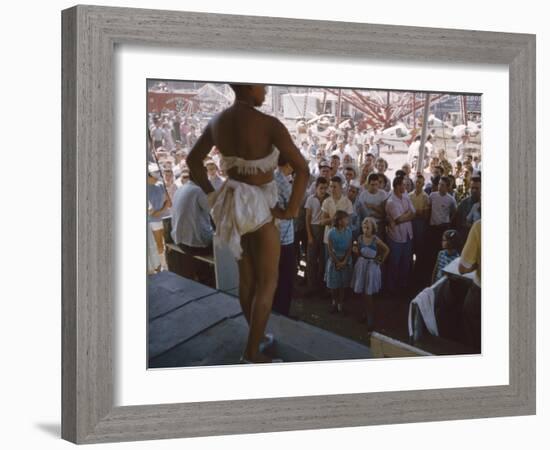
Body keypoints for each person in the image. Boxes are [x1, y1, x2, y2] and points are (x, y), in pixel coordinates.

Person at [186, 83, 309, 364]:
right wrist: (291, 210)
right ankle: (251, 353)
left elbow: (193, 161)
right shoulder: (269, 124)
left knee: (247, 279)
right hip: (260, 207)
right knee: (268, 283)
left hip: (232, 204)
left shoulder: (217, 122)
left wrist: (212, 194)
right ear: (249, 86)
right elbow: (302, 169)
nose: (265, 91)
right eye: (262, 86)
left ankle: (257, 337)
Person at [170, 173, 214, 280]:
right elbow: (216, 213)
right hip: (195, 246)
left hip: (179, 241)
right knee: (229, 247)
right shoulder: (198, 191)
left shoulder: (180, 189)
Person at [351, 217, 390, 330]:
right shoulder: (360, 238)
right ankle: (364, 312)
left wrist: (381, 260)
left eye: (368, 227)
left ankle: (370, 317)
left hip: (371, 267)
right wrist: (356, 251)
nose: (366, 229)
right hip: (361, 265)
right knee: (362, 291)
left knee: (369, 294)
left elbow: (387, 249)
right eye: (364, 227)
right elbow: (358, 253)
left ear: (373, 228)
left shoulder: (375, 239)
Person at [272, 156, 296, 316]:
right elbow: (293, 210)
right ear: (288, 163)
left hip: (272, 234)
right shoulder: (283, 182)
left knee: (275, 276)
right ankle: (283, 312)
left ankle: (274, 308)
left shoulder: (271, 177)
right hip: (285, 237)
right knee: (286, 277)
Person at [385, 175, 416, 295]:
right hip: (396, 238)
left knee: (405, 262)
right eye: (403, 184)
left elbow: (413, 213)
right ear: (398, 186)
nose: (406, 186)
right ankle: (391, 289)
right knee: (394, 263)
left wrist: (404, 216)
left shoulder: (406, 195)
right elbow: (398, 219)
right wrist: (405, 215)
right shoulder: (391, 201)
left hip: (408, 235)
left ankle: (402, 287)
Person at [458, 220, 481, 350]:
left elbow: (463, 268)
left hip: (481, 289)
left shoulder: (480, 226)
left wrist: (478, 263)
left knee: (471, 320)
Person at [325, 210, 353, 314]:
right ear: (340, 221)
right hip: (334, 261)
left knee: (342, 284)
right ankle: (334, 302)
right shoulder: (331, 232)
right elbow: (330, 249)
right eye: (346, 219)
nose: (348, 220)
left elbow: (350, 247)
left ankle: (341, 304)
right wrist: (337, 262)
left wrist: (345, 261)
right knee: (334, 284)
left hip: (345, 260)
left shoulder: (349, 231)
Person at [304, 177, 329, 296]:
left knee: (323, 260)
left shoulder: (329, 199)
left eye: (325, 188)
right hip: (313, 229)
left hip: (325, 229)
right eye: (321, 188)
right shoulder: (310, 199)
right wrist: (309, 235)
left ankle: (321, 286)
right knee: (311, 260)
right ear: (316, 187)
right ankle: (311, 287)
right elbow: (307, 218)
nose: (323, 190)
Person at [428, 176, 457, 271]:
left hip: (442, 229)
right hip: (432, 228)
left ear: (448, 187)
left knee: (440, 251)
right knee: (431, 252)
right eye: (439, 184)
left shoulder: (451, 199)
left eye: (443, 185)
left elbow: (454, 213)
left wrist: (447, 222)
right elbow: (428, 209)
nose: (440, 186)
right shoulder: (432, 195)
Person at [356, 173, 388, 238]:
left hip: (379, 224)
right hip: (366, 224)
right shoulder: (363, 195)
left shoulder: (383, 194)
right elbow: (360, 212)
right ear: (368, 184)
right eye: (372, 185)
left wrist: (373, 206)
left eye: (376, 184)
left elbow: (385, 212)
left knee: (378, 244)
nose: (374, 187)